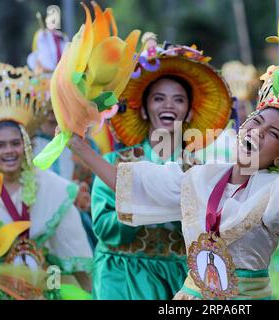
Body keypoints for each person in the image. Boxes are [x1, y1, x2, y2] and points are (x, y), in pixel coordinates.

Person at [67, 64, 279, 299]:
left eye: (273, 135)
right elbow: (136, 185)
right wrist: (79, 147)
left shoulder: (273, 189)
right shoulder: (202, 175)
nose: (259, 132)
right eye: (257, 122)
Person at [90, 36, 233, 300]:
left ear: (189, 112)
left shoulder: (202, 173)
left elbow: (212, 232)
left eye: (178, 100)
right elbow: (103, 227)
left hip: (179, 282)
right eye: (159, 98)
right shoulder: (114, 164)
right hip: (121, 277)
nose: (168, 105)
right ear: (144, 109)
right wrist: (147, 207)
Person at [0, 61, 93, 300]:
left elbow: (78, 260)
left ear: (26, 146)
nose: (9, 151)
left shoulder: (54, 188)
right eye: (0, 145)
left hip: (43, 291)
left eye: (15, 143)